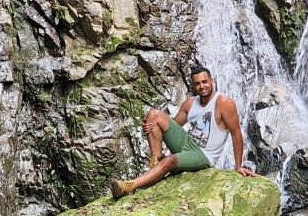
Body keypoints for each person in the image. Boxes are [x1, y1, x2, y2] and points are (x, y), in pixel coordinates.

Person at [110, 65, 257, 198]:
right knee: (153, 115)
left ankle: (129, 186)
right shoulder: (190, 103)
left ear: (212, 81)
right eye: (197, 84)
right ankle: (155, 165)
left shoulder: (224, 103)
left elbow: (236, 134)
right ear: (193, 85)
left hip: (204, 155)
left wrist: (238, 166)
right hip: (187, 142)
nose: (202, 86)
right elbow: (171, 126)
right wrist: (150, 126)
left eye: (205, 82)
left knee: (170, 160)